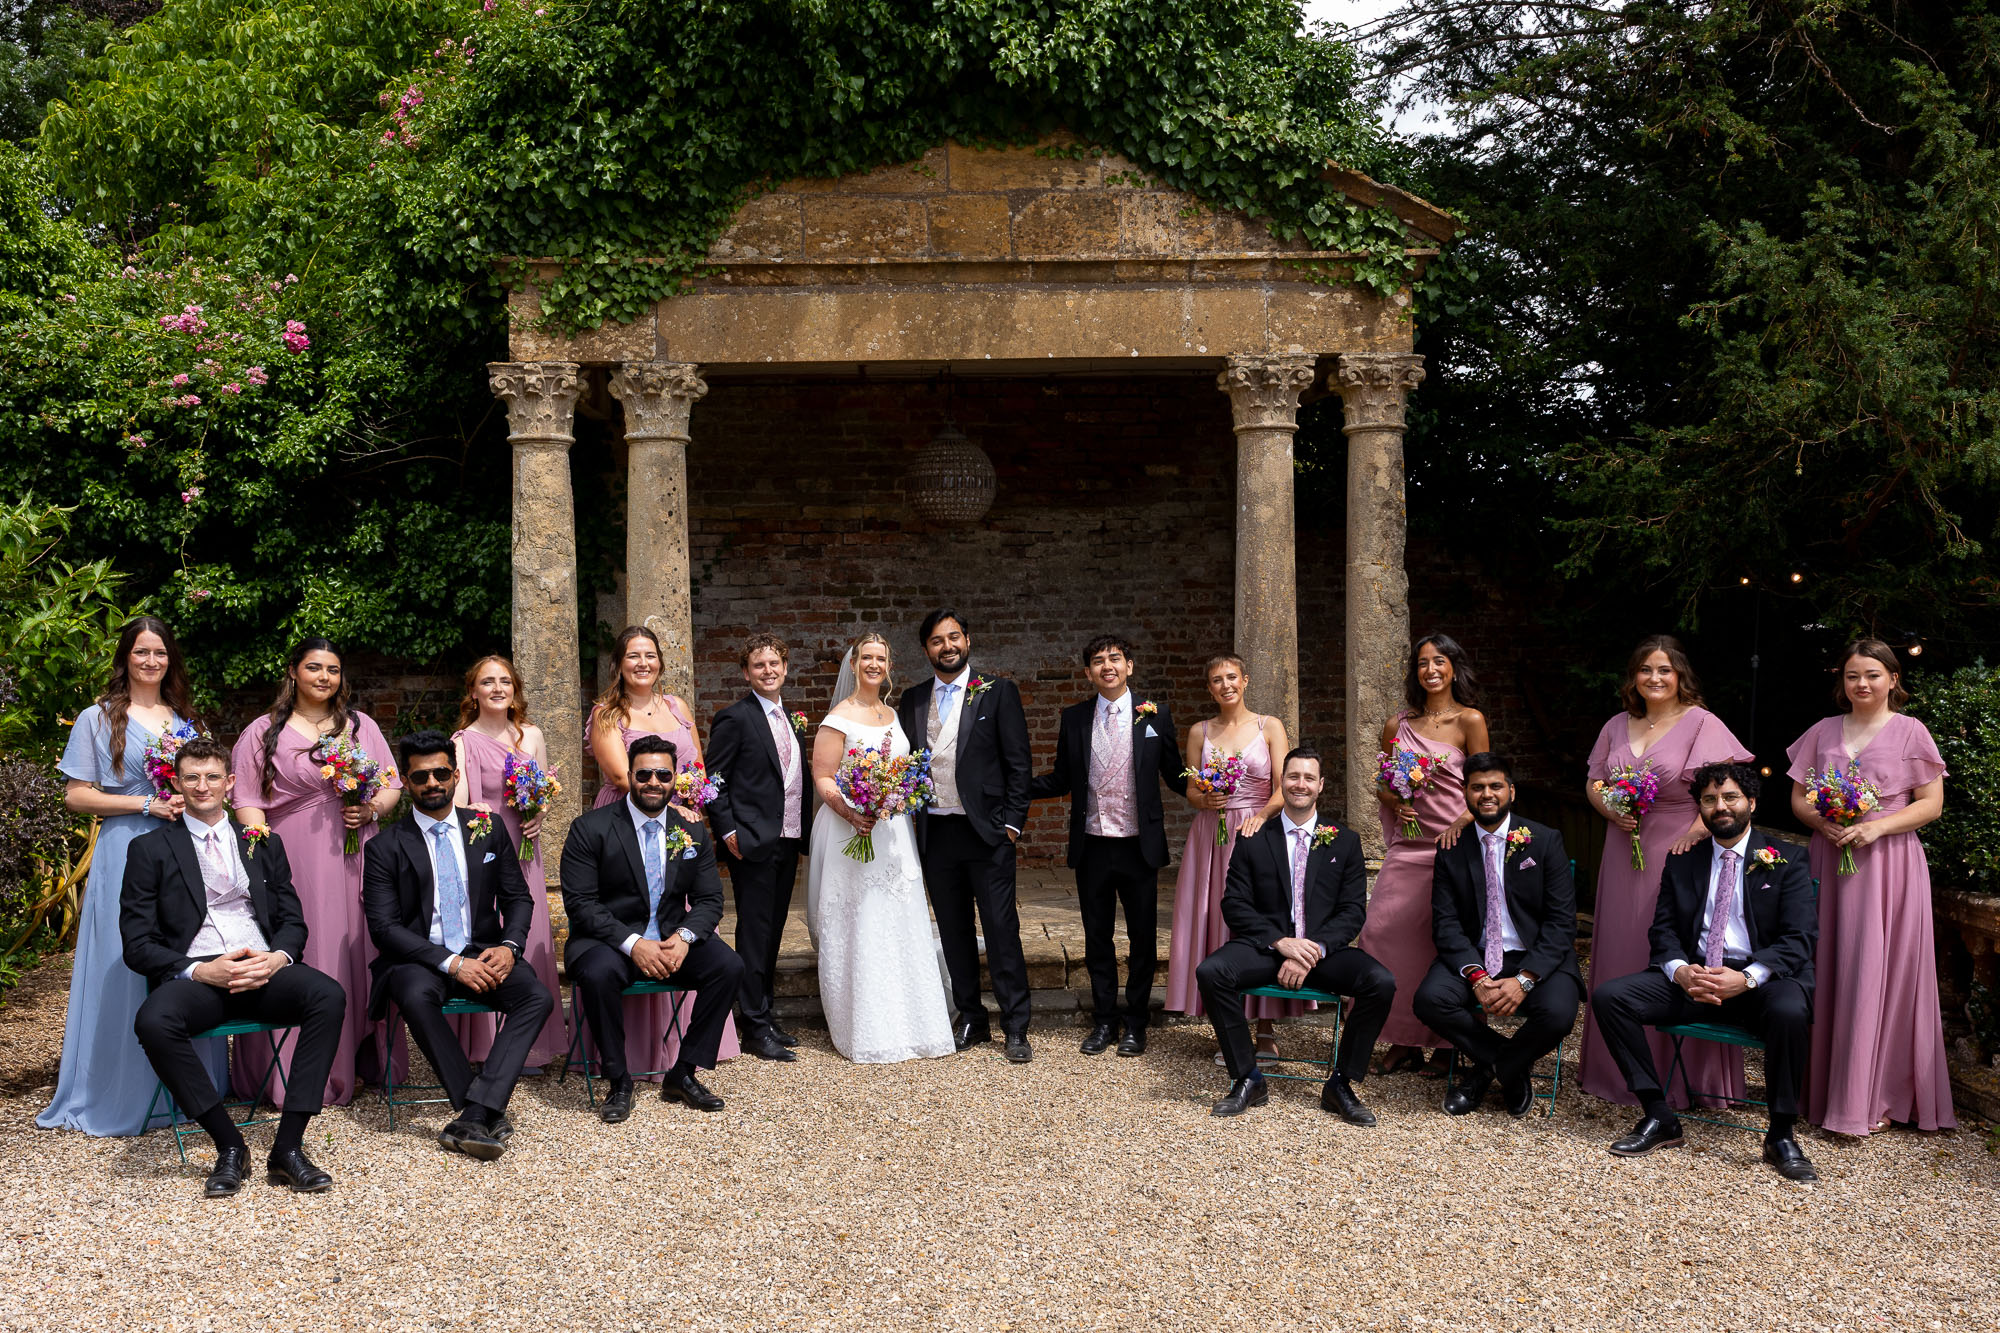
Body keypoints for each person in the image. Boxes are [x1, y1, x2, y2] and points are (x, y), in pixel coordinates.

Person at [120, 737, 347, 1196]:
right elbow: (137, 944)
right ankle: (229, 1145)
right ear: (177, 785)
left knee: (328, 995)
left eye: (211, 777)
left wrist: (276, 958)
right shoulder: (150, 849)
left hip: (262, 967)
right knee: (154, 1020)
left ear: (229, 782)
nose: (202, 786)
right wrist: (198, 970)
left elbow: (292, 922)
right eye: (191, 778)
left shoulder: (262, 841)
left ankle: (288, 1147)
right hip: (201, 974)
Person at [38, 616, 226, 1136]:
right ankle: (118, 1090)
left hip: (182, 852)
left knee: (188, 952)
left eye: (160, 653)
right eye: (141, 652)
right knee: (124, 964)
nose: (151, 661)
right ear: (125, 657)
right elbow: (76, 795)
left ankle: (191, 1092)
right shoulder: (96, 718)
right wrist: (145, 803)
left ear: (171, 660)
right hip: (126, 847)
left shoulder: (187, 721)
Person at [1591, 763, 1820, 1182]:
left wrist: (1747, 977)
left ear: (1751, 802)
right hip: (1694, 977)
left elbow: (1799, 938)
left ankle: (1781, 1134)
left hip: (1757, 984)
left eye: (1730, 797)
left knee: (1791, 1011)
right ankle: (1659, 1116)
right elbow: (1662, 930)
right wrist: (1680, 972)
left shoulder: (1788, 859)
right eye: (1710, 800)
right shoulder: (1684, 861)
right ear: (1701, 807)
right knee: (1610, 997)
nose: (1721, 806)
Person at [1788, 639, 1954, 1136]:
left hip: (1887, 864)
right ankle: (1823, 1091)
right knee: (1829, 965)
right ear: (1842, 682)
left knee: (1881, 971)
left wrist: (1877, 827)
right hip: (1830, 857)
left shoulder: (1911, 731)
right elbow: (1797, 797)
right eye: (1853, 675)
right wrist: (1823, 824)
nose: (1862, 684)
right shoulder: (1821, 731)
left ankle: (1876, 1094)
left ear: (1893, 680)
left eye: (1873, 675)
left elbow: (1931, 804)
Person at [1578, 634, 1752, 1108]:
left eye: (1665, 670)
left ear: (1680, 677)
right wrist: (1609, 809)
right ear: (1634, 677)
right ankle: (1617, 1073)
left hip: (1679, 848)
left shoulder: (1701, 723)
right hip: (1622, 844)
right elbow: (1594, 780)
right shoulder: (1617, 724)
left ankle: (1684, 1080)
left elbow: (1724, 790)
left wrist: (1695, 833)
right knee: (1620, 945)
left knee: (1671, 943)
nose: (1655, 678)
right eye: (1646, 670)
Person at [363, 732, 555, 1160]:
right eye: (420, 776)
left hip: (485, 950)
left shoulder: (487, 829)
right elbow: (384, 928)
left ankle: (473, 1111)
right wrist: (450, 964)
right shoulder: (384, 847)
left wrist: (509, 946)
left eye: (441, 773)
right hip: (419, 958)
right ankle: (482, 1108)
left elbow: (518, 898)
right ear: (407, 782)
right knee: (414, 993)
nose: (433, 782)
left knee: (536, 997)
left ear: (456, 774)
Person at [230, 638, 403, 1106]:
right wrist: (263, 853)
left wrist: (369, 811)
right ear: (293, 672)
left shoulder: (359, 726)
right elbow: (246, 798)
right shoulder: (261, 732)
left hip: (357, 852)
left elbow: (390, 785)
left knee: (358, 946)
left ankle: (362, 1060)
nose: (325, 677)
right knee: (311, 948)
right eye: (314, 668)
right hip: (295, 856)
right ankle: (297, 1073)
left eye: (332, 669)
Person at [1195, 747, 1395, 1125]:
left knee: (1380, 981)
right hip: (1267, 949)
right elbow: (1234, 904)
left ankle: (1341, 1084)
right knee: (1211, 972)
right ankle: (1248, 1078)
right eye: (1292, 776)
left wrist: (1312, 949)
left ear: (1320, 786)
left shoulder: (1345, 841)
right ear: (1281, 783)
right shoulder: (1254, 838)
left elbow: (1352, 912)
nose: (1299, 784)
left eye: (1308, 778)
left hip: (1324, 954)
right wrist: (1281, 943)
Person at [559, 735, 745, 1123]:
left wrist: (684, 938)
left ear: (675, 778)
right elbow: (581, 904)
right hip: (608, 941)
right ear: (629, 776)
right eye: (644, 773)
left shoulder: (690, 830)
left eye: (663, 773)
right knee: (596, 973)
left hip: (671, 938)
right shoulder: (589, 828)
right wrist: (633, 944)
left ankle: (683, 1073)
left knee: (728, 967)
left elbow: (711, 899)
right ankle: (618, 1080)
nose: (653, 781)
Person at [586, 625, 739, 1068]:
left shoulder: (677, 706)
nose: (642, 663)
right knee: (634, 909)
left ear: (660, 661)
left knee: (679, 913)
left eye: (649, 655)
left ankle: (683, 1048)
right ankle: (637, 1048)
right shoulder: (607, 713)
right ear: (618, 664)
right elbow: (620, 777)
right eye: (632, 656)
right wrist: (677, 803)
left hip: (682, 825)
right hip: (628, 821)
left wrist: (694, 804)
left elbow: (698, 769)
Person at [1028, 634, 1187, 1056]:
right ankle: (1104, 1021)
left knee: (1143, 938)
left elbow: (1174, 774)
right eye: (1098, 661)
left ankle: (1136, 1023)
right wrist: (1016, 787)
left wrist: (1212, 788)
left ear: (1129, 666)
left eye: (1114, 659)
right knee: (1097, 938)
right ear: (1088, 673)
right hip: (1093, 844)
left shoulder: (1156, 716)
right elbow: (1062, 778)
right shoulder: (1075, 717)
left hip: (1139, 846)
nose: (1107, 666)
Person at [806, 633, 956, 1064]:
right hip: (850, 829)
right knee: (862, 920)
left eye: (881, 658)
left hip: (892, 832)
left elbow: (904, 770)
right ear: (853, 664)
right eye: (866, 657)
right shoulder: (839, 717)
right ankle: (865, 1027)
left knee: (900, 919)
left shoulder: (892, 713)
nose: (874, 664)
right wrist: (853, 812)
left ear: (888, 665)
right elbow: (824, 777)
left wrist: (899, 796)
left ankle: (915, 1023)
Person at [897, 610, 1035, 1062]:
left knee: (1000, 929)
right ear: (926, 650)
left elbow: (1019, 762)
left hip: (988, 833)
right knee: (954, 932)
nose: (947, 646)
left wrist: (1012, 824)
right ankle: (971, 1016)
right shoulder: (913, 699)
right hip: (936, 831)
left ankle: (1016, 1023)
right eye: (937, 641)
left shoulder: (998, 691)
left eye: (953, 637)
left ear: (968, 641)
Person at [1411, 752, 1580, 1117]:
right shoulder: (1451, 848)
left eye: (1495, 786)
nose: (1487, 794)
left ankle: (1488, 1069)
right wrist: (1475, 975)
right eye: (1477, 788)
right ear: (1465, 794)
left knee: (1559, 1013)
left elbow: (1561, 921)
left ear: (1511, 791)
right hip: (1476, 953)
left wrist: (1526, 978)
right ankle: (1509, 1066)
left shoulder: (1544, 840)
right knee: (1429, 1000)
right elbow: (1447, 923)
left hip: (1533, 957)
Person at [1363, 632, 1490, 1074]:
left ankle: (1449, 1043)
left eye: (1439, 661)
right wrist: (1395, 799)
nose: (1431, 670)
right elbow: (1381, 782)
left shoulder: (1469, 721)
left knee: (1446, 941)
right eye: (1422, 663)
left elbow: (1486, 785)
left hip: (1454, 845)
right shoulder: (1398, 725)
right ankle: (1402, 1039)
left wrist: (1463, 821)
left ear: (1454, 667)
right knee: (1382, 933)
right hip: (1408, 847)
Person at [1163, 654, 1291, 1062]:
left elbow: (1284, 785)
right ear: (1209, 688)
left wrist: (1260, 818)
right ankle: (1230, 1025)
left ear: (1245, 679)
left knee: (1261, 923)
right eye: (1216, 680)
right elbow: (1192, 790)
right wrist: (1207, 797)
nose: (1225, 685)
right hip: (1212, 837)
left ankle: (1267, 1028)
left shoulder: (1268, 726)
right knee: (1216, 922)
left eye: (1231, 677)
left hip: (1258, 832)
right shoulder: (1200, 731)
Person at [451, 654, 567, 1072]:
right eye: (488, 682)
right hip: (484, 849)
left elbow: (543, 792)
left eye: (505, 681)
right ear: (473, 692)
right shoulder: (462, 741)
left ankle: (532, 1044)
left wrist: (540, 813)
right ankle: (486, 1045)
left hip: (524, 846)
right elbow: (459, 802)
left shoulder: (530, 735)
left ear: (514, 688)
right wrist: (477, 809)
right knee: (492, 932)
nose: (498, 688)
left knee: (529, 929)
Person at [705, 632, 808, 1063]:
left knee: (773, 930)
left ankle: (763, 1011)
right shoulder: (735, 718)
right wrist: (729, 833)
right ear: (746, 672)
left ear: (785, 668)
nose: (769, 671)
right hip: (751, 842)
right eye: (759, 665)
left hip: (786, 839)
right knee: (753, 931)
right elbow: (714, 782)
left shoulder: (793, 720)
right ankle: (753, 1024)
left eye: (775, 664)